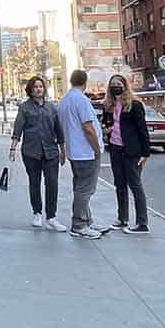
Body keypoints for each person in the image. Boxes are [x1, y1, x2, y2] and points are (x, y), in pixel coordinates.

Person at [9, 77, 66, 231]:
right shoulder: (25, 108)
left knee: (52, 184)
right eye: (35, 87)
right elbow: (18, 129)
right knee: (34, 183)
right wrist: (13, 149)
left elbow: (59, 130)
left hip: (51, 152)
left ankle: (52, 217)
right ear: (30, 89)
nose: (38, 89)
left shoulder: (52, 108)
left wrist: (63, 150)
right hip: (31, 152)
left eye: (41, 86)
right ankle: (37, 213)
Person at [102, 75, 151, 234]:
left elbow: (143, 130)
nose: (116, 87)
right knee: (119, 185)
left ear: (125, 86)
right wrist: (106, 131)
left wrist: (145, 153)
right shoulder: (108, 106)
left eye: (119, 84)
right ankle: (122, 218)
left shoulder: (134, 105)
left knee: (135, 185)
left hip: (132, 151)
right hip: (116, 149)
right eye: (113, 84)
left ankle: (142, 223)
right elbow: (106, 125)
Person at [60, 69, 104, 240]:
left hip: (75, 151)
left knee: (80, 187)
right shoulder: (81, 100)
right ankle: (79, 225)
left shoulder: (64, 100)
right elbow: (88, 128)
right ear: (85, 82)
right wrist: (96, 148)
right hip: (86, 152)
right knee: (85, 190)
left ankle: (87, 221)